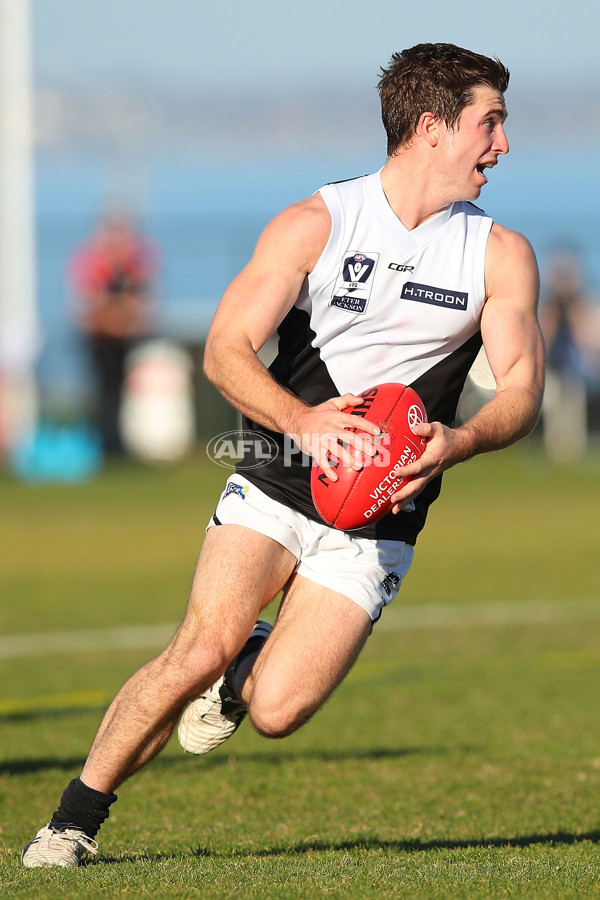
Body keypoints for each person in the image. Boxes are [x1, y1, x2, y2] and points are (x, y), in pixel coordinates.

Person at [22, 43, 545, 868]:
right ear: (432, 128)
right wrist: (301, 421)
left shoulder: (499, 255)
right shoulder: (317, 223)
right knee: (198, 642)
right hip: (275, 476)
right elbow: (226, 348)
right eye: (491, 123)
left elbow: (520, 389)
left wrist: (465, 437)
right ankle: (71, 823)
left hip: (383, 511)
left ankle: (245, 675)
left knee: (276, 710)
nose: (502, 145)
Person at [69, 208, 159, 457]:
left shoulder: (134, 261)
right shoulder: (92, 260)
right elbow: (89, 305)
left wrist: (124, 317)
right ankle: (105, 445)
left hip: (124, 339)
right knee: (103, 394)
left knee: (121, 394)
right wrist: (116, 318)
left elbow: (142, 301)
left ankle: (116, 444)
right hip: (99, 340)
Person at [539, 247, 598, 462]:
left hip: (575, 368)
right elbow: (544, 337)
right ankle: (555, 453)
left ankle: (573, 452)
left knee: (573, 410)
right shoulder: (547, 305)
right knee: (555, 410)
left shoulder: (583, 304)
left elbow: (589, 338)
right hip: (553, 366)